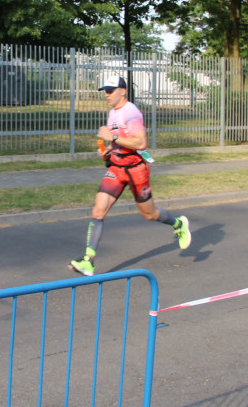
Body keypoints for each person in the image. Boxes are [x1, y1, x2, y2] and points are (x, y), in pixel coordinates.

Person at [69, 76, 191, 276]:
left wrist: (113, 137)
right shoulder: (113, 113)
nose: (107, 95)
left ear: (122, 91)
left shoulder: (131, 112)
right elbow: (118, 141)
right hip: (117, 168)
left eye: (111, 91)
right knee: (98, 210)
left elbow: (140, 142)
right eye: (105, 92)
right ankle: (88, 261)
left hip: (136, 169)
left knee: (149, 214)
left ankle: (178, 224)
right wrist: (108, 150)